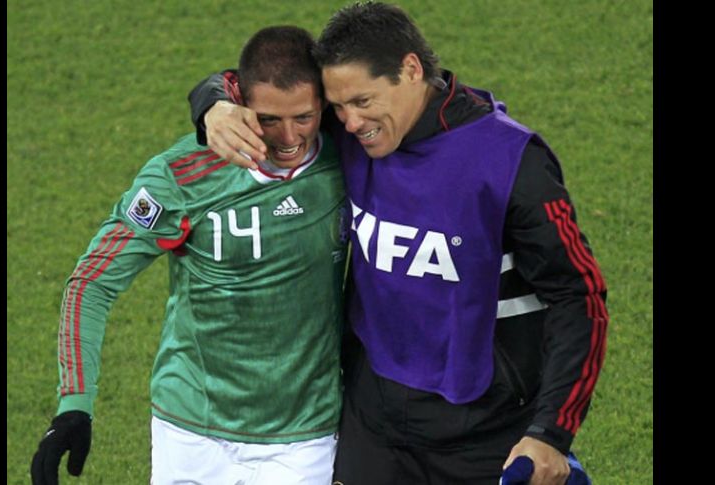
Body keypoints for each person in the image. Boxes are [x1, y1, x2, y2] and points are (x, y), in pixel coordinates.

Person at [188, 2, 608, 484]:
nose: (347, 122)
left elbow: (579, 297)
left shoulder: (511, 162)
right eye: (338, 106)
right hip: (372, 423)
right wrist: (212, 105)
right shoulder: (351, 132)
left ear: (410, 70)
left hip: (485, 431)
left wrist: (552, 432)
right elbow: (250, 84)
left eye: (362, 102)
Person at [30, 26, 350, 485]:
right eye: (267, 119)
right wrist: (74, 406)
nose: (288, 137)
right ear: (238, 104)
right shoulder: (182, 175)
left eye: (304, 117)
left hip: (304, 438)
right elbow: (93, 283)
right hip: (190, 433)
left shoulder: (350, 157)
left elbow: (410, 95)